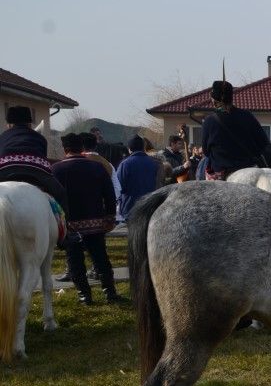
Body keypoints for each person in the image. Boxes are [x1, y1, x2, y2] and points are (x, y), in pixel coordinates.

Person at [51, 134, 122, 305]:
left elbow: (52, 199)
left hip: (70, 225)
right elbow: (109, 194)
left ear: (65, 149)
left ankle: (84, 296)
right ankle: (110, 293)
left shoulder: (56, 170)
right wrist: (110, 217)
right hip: (95, 222)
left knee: (75, 261)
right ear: (81, 148)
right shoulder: (97, 167)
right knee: (101, 259)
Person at [0, 105, 69, 214]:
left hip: (5, 170)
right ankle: (65, 221)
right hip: (36, 171)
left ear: (9, 124)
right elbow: (43, 158)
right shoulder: (39, 137)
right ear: (30, 124)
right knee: (61, 193)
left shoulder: (3, 137)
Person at [200, 81, 271, 179]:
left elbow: (206, 151)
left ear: (214, 100)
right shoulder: (247, 116)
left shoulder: (209, 121)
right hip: (251, 167)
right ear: (231, 98)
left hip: (223, 173)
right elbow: (263, 143)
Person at [115, 135, 161, 220]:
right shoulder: (154, 163)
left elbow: (119, 187)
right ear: (143, 147)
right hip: (149, 207)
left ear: (129, 149)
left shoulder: (125, 164)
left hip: (130, 208)